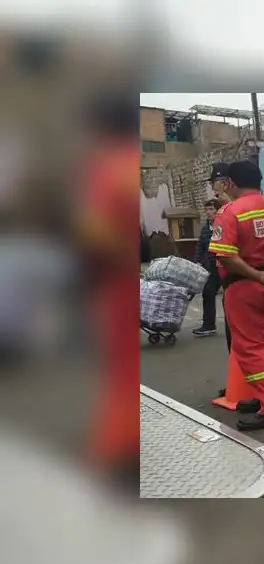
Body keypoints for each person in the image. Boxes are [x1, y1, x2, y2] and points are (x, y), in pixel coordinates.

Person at [78, 93, 141, 487]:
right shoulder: (130, 165)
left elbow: (95, 232)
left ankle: (117, 454)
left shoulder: (107, 167)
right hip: (126, 280)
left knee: (119, 371)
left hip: (115, 285)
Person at [209, 160, 264, 431]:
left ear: (230, 183)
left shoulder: (230, 212)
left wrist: (256, 276)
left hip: (247, 285)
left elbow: (226, 256)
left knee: (252, 346)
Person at [193, 196, 224, 337]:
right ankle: (209, 325)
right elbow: (201, 246)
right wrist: (198, 261)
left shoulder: (222, 225)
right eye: (207, 210)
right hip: (210, 266)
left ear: (218, 210)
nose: (209, 212)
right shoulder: (206, 228)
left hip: (224, 264)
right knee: (208, 293)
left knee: (231, 296)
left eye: (211, 209)